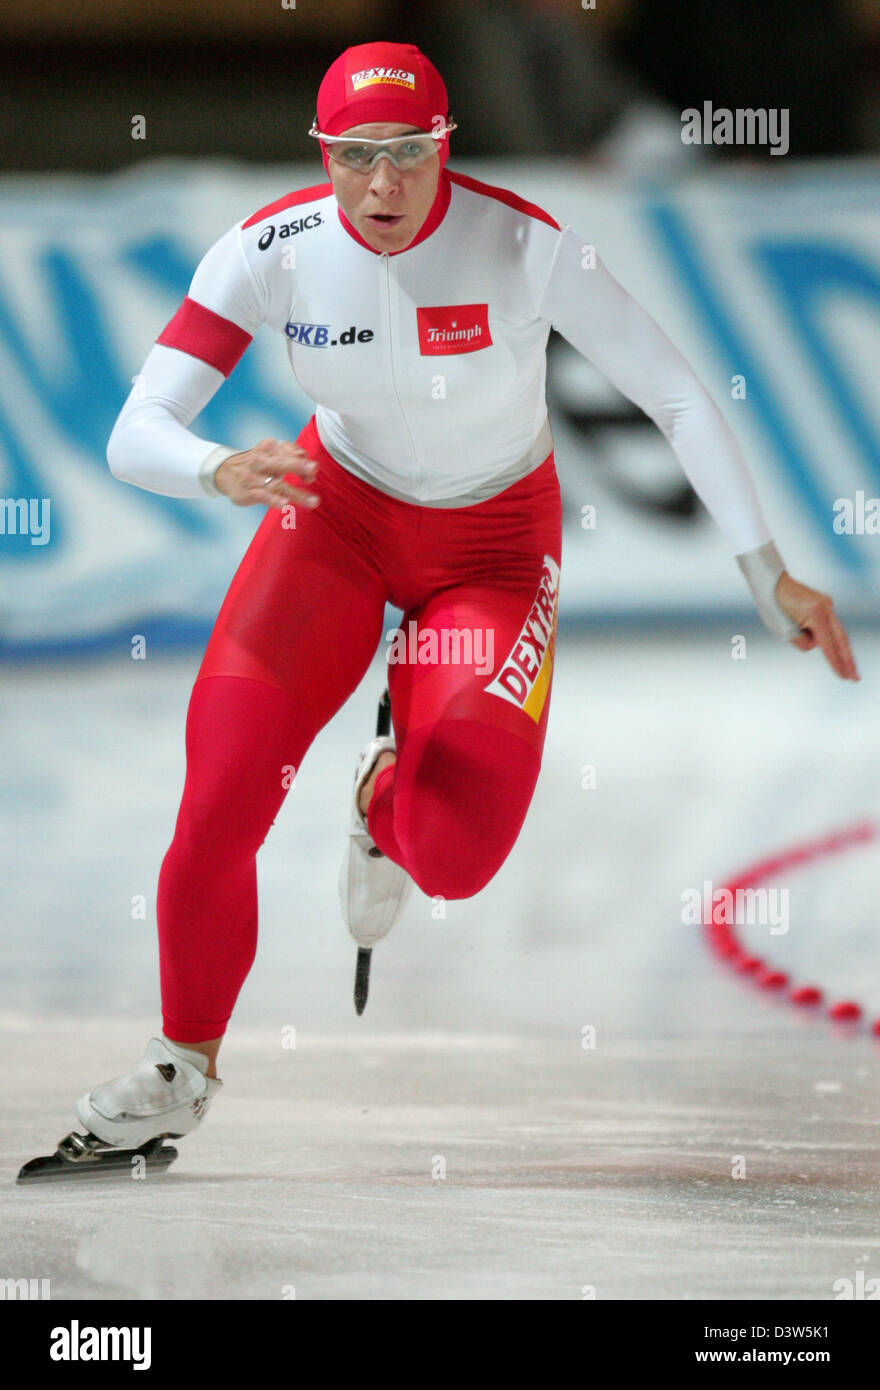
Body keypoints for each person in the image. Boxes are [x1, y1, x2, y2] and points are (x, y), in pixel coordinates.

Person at [78, 40, 858, 1159]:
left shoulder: (525, 244)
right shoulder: (266, 251)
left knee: (451, 855)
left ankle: (382, 795)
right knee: (220, 794)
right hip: (330, 517)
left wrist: (762, 570)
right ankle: (180, 1063)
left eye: (408, 156)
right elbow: (132, 430)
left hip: (491, 551)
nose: (384, 188)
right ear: (324, 154)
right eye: (357, 158)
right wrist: (214, 467)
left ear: (445, 147)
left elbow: (678, 394)